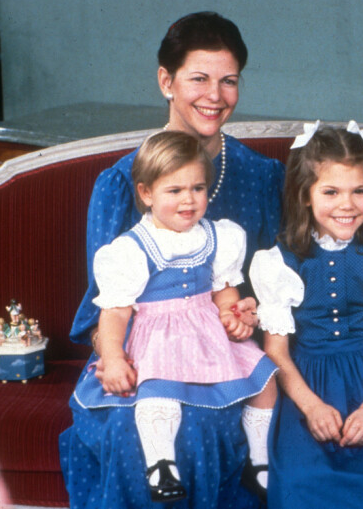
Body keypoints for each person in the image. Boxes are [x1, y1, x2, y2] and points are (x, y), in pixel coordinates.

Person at [60, 11, 283, 509]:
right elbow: (102, 314)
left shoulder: (262, 176)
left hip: (227, 354)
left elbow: (274, 283)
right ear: (166, 81)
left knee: (215, 418)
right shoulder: (121, 183)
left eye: (229, 81)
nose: (215, 95)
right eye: (198, 79)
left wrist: (247, 311)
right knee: (142, 430)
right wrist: (120, 360)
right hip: (143, 354)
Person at [72, 131, 277, 503]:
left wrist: (230, 313)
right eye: (175, 190)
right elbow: (115, 312)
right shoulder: (133, 248)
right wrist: (113, 357)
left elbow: (223, 288)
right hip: (158, 335)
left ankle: (259, 458)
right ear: (146, 193)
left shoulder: (217, 236)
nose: (189, 199)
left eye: (198, 188)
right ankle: (161, 465)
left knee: (263, 380)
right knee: (158, 392)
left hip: (205, 332)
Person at [249, 121, 363, 509]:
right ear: (305, 196)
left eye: (359, 191)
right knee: (302, 484)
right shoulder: (281, 262)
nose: (348, 204)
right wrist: (311, 407)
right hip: (306, 385)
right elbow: (276, 351)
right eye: (331, 192)